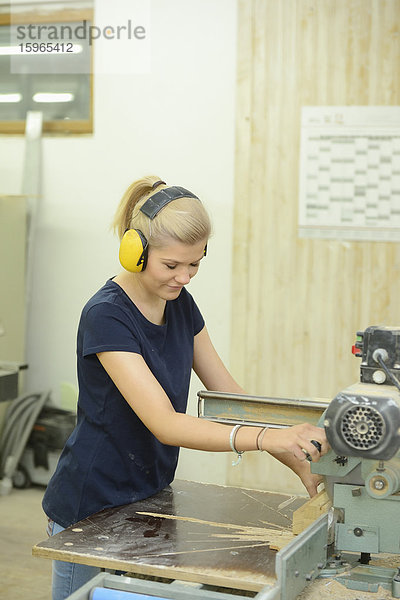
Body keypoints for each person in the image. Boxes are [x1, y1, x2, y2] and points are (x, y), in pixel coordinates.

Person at [42, 175, 328, 600]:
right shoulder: (106, 316)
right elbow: (166, 425)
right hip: (92, 507)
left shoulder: (179, 303)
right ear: (135, 252)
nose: (185, 277)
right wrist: (269, 438)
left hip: (150, 499)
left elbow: (228, 397)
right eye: (172, 265)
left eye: (195, 264)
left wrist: (300, 452)